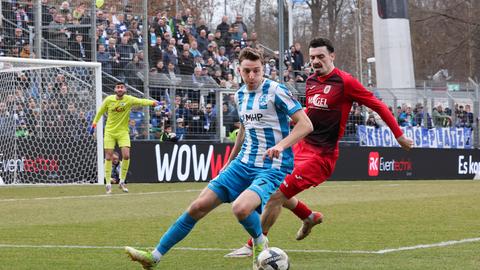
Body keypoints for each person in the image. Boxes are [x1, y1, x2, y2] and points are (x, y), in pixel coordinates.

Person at [124, 47, 313, 269]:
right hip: (242, 163)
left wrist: (281, 146)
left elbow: (305, 124)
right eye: (246, 71)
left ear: (264, 69)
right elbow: (244, 130)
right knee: (198, 206)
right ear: (239, 70)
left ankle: (260, 242)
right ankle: (153, 257)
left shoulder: (276, 91)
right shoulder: (240, 94)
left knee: (241, 208)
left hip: (272, 166)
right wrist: (229, 162)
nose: (251, 76)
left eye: (256, 71)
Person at [226, 37, 414, 257]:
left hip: (321, 157)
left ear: (332, 56)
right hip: (300, 147)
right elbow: (311, 113)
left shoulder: (346, 82)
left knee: (276, 193)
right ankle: (308, 216)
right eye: (312, 57)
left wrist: (398, 135)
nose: (316, 61)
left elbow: (378, 105)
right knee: (271, 187)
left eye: (320, 56)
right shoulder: (312, 81)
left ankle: (254, 245)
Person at [89, 82, 159, 194]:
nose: (120, 89)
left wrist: (154, 103)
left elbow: (141, 101)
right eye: (118, 87)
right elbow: (100, 112)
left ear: (125, 89)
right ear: (115, 89)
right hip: (110, 132)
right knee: (108, 156)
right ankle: (108, 183)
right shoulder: (108, 100)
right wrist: (93, 125)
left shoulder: (129, 99)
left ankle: (122, 181)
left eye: (122, 87)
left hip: (123, 132)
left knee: (126, 155)